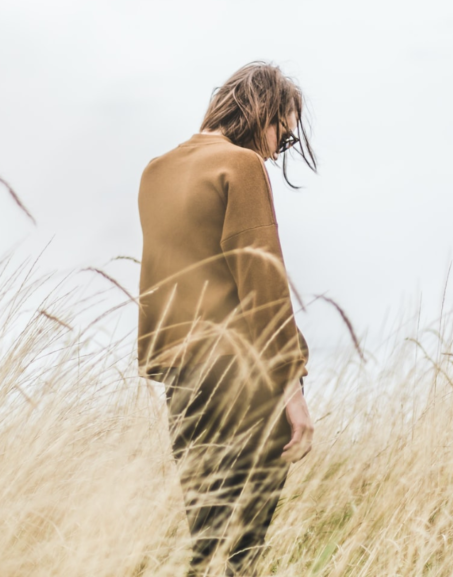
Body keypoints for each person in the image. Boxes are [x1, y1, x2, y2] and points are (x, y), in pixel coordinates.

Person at [137, 61, 317, 576]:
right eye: (281, 135)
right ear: (260, 111)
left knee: (204, 537)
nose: (274, 150)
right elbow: (262, 282)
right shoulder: (239, 166)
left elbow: (159, 282)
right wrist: (292, 388)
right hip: (244, 375)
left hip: (182, 380)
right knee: (245, 549)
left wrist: (168, 367)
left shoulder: (156, 171)